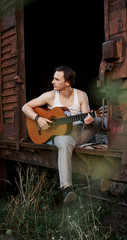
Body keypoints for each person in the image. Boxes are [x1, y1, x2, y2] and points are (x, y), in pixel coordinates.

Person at [22, 66, 101, 204]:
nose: (52, 81)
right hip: (62, 135)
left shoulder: (81, 95)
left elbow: (87, 117)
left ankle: (76, 142)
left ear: (67, 82)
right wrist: (38, 119)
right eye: (53, 78)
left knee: (98, 120)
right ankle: (67, 188)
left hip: (79, 131)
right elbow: (25, 107)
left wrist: (88, 121)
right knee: (64, 142)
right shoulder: (50, 96)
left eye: (56, 79)